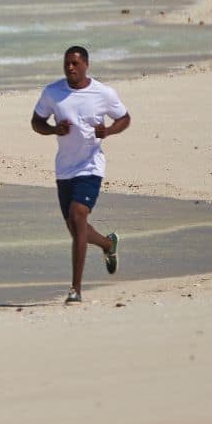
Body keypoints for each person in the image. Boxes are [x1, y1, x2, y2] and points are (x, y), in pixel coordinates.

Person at [31, 45, 129, 303]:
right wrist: (54, 130)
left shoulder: (103, 93)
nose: (70, 68)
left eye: (75, 63)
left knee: (78, 215)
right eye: (67, 63)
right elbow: (36, 122)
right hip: (64, 169)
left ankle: (75, 289)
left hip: (91, 166)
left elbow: (124, 118)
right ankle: (108, 245)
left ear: (86, 64)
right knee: (77, 230)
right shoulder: (53, 92)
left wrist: (108, 131)